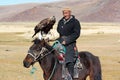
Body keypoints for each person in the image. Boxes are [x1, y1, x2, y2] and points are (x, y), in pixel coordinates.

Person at [57, 8, 81, 79]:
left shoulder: (75, 22)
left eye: (67, 13)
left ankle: (71, 77)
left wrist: (67, 40)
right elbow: (59, 32)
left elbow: (76, 34)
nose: (65, 14)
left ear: (70, 13)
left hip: (70, 43)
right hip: (60, 42)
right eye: (64, 13)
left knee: (69, 60)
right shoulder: (60, 21)